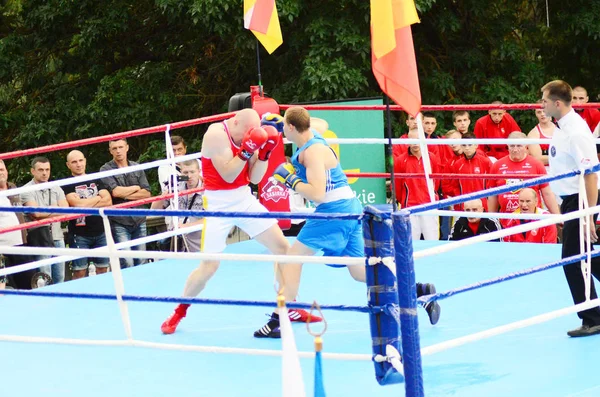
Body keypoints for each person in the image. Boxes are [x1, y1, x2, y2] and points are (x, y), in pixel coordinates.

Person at [253, 106, 441, 338]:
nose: (283, 135)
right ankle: (417, 291)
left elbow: (317, 194)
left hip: (333, 211)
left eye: (285, 130)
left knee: (292, 259)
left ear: (292, 127)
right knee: (360, 271)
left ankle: (279, 319)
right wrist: (283, 121)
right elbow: (320, 122)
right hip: (349, 207)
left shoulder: (312, 152)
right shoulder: (314, 132)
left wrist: (290, 180)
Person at [160, 109, 295, 335]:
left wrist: (265, 153)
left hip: (243, 199)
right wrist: (247, 149)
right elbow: (229, 175)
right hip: (218, 205)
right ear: (235, 122)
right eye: (245, 133)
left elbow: (254, 178)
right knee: (209, 266)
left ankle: (286, 305)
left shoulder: (252, 134)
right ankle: (179, 311)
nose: (247, 137)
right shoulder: (215, 135)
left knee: (282, 248)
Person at [542, 79, 600, 337]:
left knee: (572, 260)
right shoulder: (561, 127)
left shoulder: (576, 130)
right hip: (571, 200)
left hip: (581, 200)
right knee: (589, 257)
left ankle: (593, 318)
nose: (541, 105)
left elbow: (591, 173)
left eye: (544, 100)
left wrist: (588, 214)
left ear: (556, 103)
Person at [100, 138, 151, 268]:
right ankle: (126, 288)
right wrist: (136, 187)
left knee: (142, 260)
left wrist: (125, 194)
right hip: (119, 221)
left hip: (139, 218)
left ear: (127, 147)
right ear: (110, 151)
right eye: (114, 148)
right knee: (126, 261)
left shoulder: (136, 167)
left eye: (121, 147)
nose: (118, 151)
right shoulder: (105, 169)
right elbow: (116, 192)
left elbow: (147, 193)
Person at [487, 132, 559, 221]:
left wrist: (557, 217)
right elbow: (492, 196)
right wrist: (491, 220)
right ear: (507, 146)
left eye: (519, 146)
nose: (515, 149)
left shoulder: (536, 164)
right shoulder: (497, 165)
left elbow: (547, 193)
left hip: (533, 219)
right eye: (512, 146)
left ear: (526, 146)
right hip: (507, 220)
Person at [63, 150, 113, 279]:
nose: (78, 164)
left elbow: (108, 201)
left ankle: (103, 296)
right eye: (74, 162)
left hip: (101, 230)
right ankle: (80, 298)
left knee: (103, 268)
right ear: (68, 165)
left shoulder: (95, 178)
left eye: (80, 160)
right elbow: (78, 205)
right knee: (79, 271)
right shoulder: (66, 183)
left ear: (85, 161)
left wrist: (85, 203)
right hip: (79, 233)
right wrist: (97, 198)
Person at [20, 156, 69, 284]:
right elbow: (36, 213)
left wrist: (45, 212)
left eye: (47, 169)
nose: (45, 173)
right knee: (43, 279)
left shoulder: (56, 187)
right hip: (39, 238)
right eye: (41, 169)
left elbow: (66, 211)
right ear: (33, 171)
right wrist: (55, 209)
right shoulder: (26, 190)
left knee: (60, 278)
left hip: (58, 237)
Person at [394, 128, 441, 240]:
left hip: (429, 205)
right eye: (412, 139)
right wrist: (405, 200)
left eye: (418, 139)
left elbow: (436, 181)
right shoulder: (401, 160)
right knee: (411, 242)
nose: (415, 142)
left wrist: (431, 197)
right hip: (410, 206)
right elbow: (397, 184)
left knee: (432, 241)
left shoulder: (432, 158)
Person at [152, 159, 204, 252]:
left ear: (199, 171)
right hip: (178, 245)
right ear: (180, 173)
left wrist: (188, 226)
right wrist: (167, 191)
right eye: (185, 172)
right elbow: (154, 210)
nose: (189, 176)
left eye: (192, 172)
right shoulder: (177, 187)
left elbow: (213, 219)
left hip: (199, 245)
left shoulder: (208, 190)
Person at [527, 101, 556, 168]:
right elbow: (538, 159)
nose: (542, 114)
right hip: (544, 169)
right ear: (536, 114)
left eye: (545, 111)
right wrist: (560, 157)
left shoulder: (561, 129)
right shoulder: (533, 134)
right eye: (539, 112)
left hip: (562, 167)